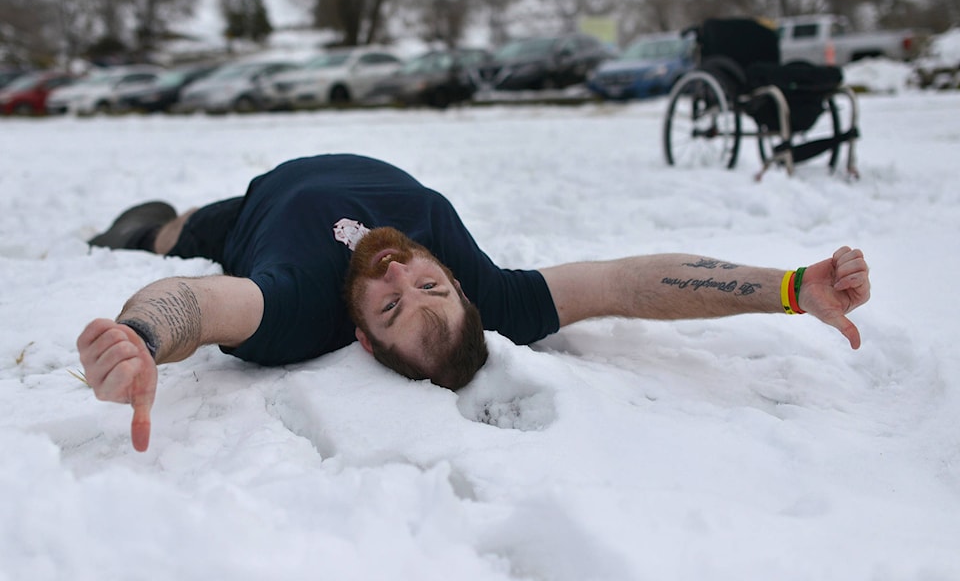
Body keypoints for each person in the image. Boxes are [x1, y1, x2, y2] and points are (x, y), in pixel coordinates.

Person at [78, 154, 871, 452]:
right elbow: (627, 283)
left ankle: (154, 221)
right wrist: (792, 288)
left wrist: (141, 337)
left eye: (390, 309)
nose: (395, 276)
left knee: (171, 233)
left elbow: (195, 300)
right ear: (457, 286)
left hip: (258, 204)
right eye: (427, 287)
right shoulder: (493, 295)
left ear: (360, 338)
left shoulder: (295, 305)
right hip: (342, 161)